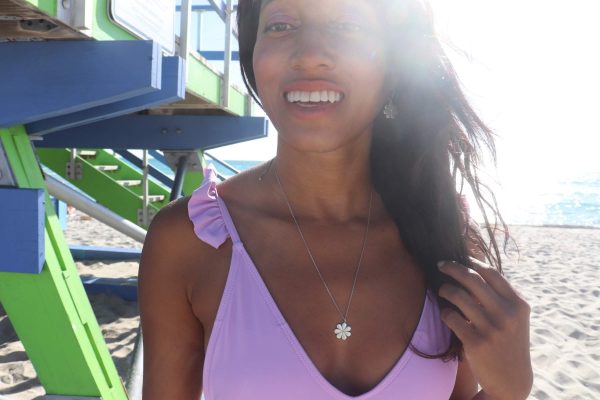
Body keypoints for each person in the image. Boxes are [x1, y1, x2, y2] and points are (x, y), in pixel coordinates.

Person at [138, 0, 533, 398]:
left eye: (348, 24)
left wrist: (509, 390)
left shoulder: (443, 238)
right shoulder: (190, 243)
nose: (310, 55)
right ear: (253, 57)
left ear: (394, 64)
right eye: (280, 26)